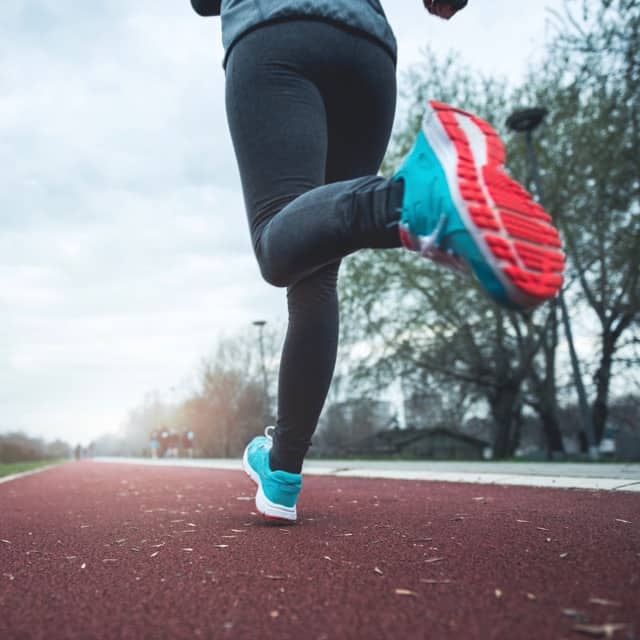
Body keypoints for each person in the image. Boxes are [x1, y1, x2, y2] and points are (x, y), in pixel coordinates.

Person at [191, 0, 564, 521]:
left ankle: (409, 199)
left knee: (277, 249)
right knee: (315, 269)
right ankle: (281, 469)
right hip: (366, 54)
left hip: (276, 34)